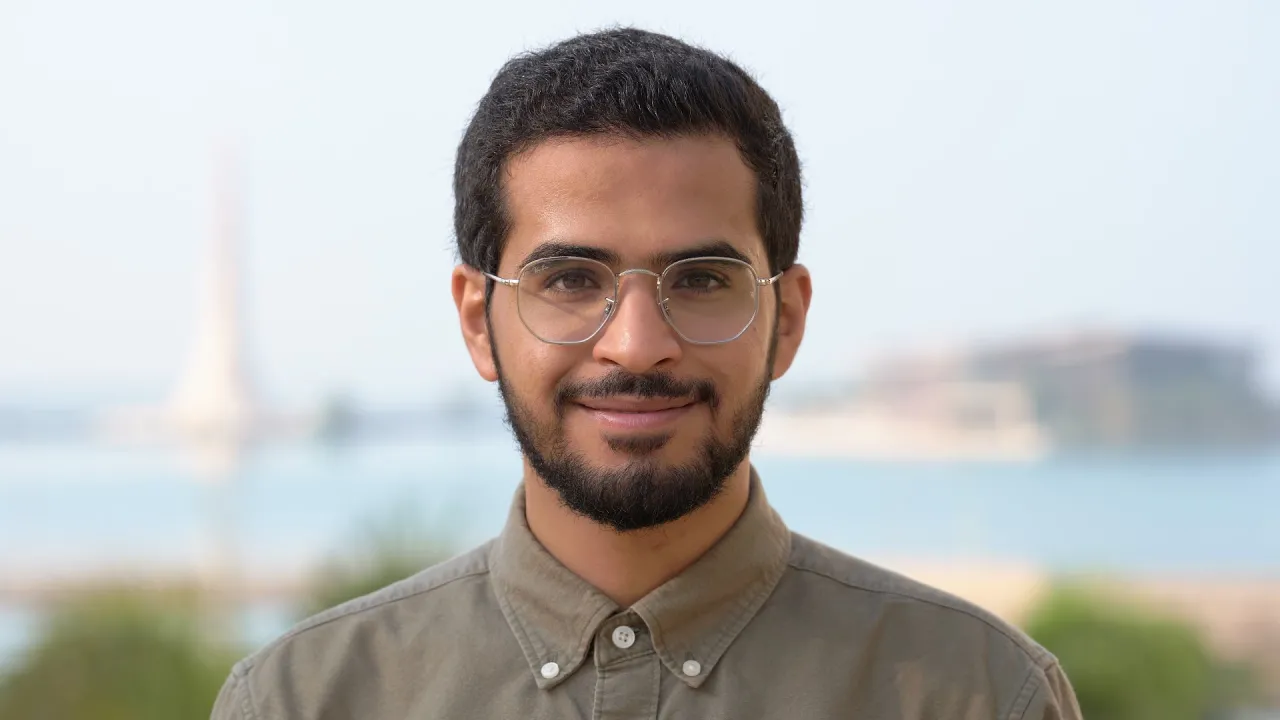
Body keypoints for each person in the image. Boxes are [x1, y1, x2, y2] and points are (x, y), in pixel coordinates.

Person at [212, 27, 1082, 720]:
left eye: (701, 281)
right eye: (569, 280)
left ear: (787, 319)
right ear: (479, 321)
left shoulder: (977, 694)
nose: (635, 345)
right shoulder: (305, 700)